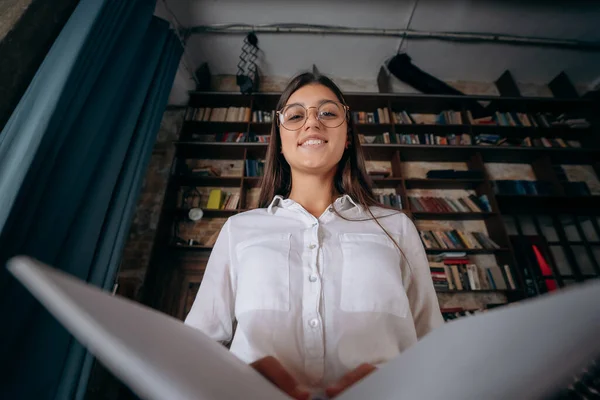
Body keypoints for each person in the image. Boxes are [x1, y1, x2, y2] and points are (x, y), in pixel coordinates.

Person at [184, 72, 443, 399]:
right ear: (279, 139)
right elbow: (197, 345)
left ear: (347, 135)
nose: (312, 123)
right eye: (295, 115)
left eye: (328, 113)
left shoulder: (395, 227)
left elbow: (432, 342)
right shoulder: (239, 230)